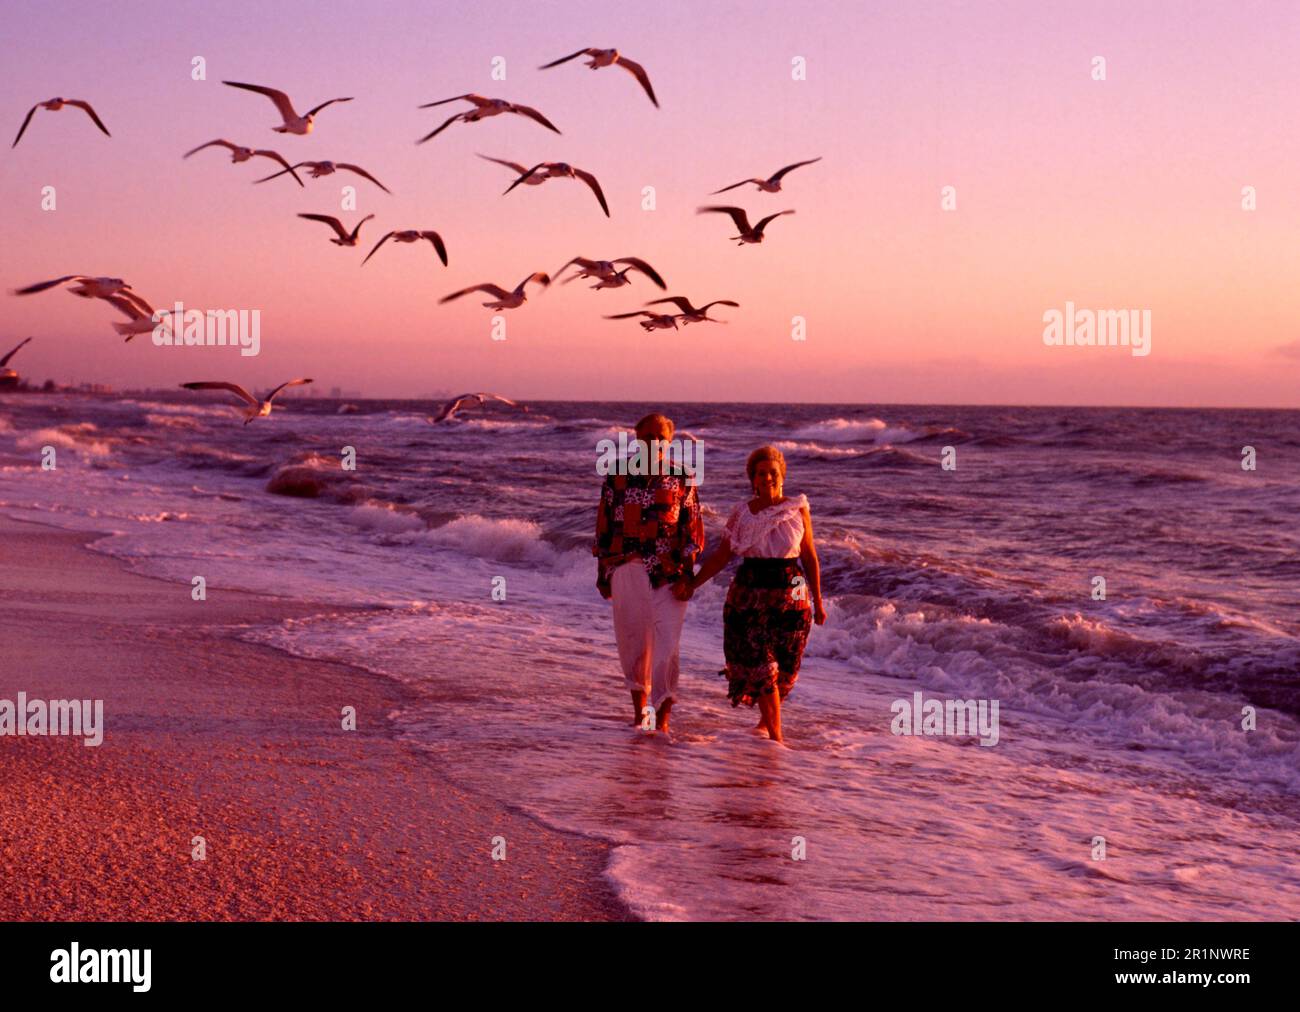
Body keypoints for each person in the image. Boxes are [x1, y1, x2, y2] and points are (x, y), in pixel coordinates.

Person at [692, 445, 825, 743]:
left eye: (773, 473)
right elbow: (723, 556)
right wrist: (692, 583)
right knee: (761, 666)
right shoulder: (741, 513)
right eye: (761, 473)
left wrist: (819, 601)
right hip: (748, 595)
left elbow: (810, 556)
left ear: (782, 476)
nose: (768, 478)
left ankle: (765, 725)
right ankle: (777, 739)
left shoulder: (797, 508)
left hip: (792, 597)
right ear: (752, 478)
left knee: (784, 670)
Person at [593, 413, 703, 733]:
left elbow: (693, 530)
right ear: (637, 438)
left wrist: (687, 575)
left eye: (660, 438)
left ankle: (663, 723)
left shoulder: (682, 478)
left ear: (669, 442)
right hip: (626, 566)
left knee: (667, 647)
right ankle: (642, 716)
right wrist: (603, 572)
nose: (654, 443)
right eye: (648, 437)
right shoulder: (616, 477)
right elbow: (603, 526)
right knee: (633, 643)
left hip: (669, 574)